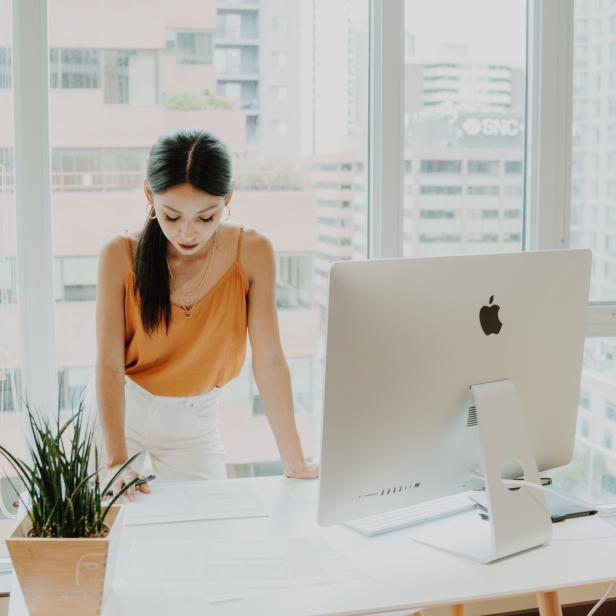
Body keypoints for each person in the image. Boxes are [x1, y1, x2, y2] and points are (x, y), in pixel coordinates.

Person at [85, 128, 318, 499]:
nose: (188, 233)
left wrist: (294, 461)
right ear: (149, 194)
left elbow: (270, 362)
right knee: (111, 535)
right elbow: (108, 367)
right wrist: (116, 460)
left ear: (228, 198)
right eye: (172, 216)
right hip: (121, 411)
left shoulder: (253, 251)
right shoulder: (118, 254)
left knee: (207, 534)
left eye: (206, 217)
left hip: (194, 421)